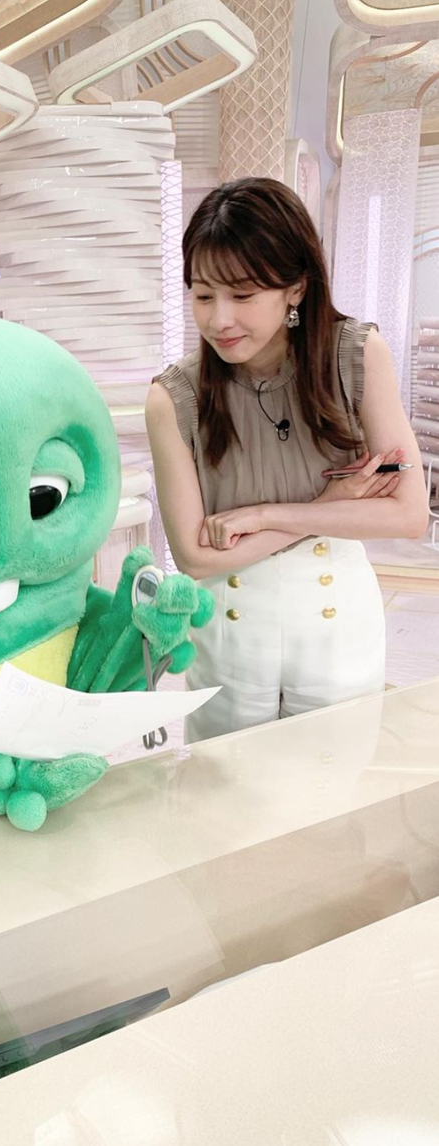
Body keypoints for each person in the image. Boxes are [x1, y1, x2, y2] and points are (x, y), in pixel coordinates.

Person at [146, 177, 429, 743]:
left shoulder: (356, 356)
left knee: (331, 785)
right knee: (228, 789)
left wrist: (266, 516)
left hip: (336, 629)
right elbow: (196, 558)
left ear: (295, 288)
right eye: (203, 295)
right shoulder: (173, 397)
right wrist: (329, 506)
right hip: (228, 640)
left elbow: (408, 515)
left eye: (242, 295)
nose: (219, 319)